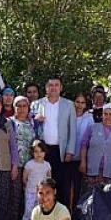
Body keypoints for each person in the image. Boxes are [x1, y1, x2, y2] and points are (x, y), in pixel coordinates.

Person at [33, 76, 77, 207]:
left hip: (61, 151)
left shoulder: (68, 105)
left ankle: (62, 217)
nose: (53, 88)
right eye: (50, 85)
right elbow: (30, 125)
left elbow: (72, 130)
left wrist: (70, 151)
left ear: (61, 88)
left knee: (62, 185)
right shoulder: (37, 104)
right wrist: (35, 119)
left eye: (56, 85)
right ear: (46, 88)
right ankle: (42, 215)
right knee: (43, 184)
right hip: (42, 151)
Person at [7, 96, 37, 220]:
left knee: (30, 198)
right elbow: (10, 145)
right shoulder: (10, 122)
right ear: (14, 107)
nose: (22, 108)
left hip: (31, 166)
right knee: (15, 197)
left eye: (25, 105)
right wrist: (13, 165)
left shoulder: (32, 122)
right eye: (18, 105)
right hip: (16, 166)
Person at [19, 140, 52, 220]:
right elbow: (24, 178)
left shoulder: (47, 165)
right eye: (36, 151)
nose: (39, 154)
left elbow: (49, 179)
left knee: (41, 214)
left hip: (42, 195)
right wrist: (27, 187)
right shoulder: (29, 164)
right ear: (32, 152)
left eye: (41, 151)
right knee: (28, 212)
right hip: (30, 193)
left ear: (45, 152)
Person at [68, 92, 93, 208]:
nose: (79, 105)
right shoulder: (67, 116)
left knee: (78, 188)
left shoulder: (89, 118)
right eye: (77, 102)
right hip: (66, 158)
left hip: (81, 158)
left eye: (82, 102)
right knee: (66, 188)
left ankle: (76, 216)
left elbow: (90, 139)